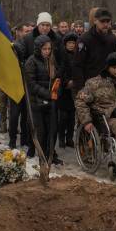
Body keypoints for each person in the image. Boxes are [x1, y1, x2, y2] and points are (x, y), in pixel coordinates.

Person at [24, 35, 61, 164]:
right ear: (38, 49)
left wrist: (57, 88)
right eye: (44, 49)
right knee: (41, 132)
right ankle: (42, 158)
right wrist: (47, 94)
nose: (47, 51)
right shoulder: (31, 62)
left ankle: (51, 154)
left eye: (49, 49)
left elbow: (55, 78)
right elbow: (32, 85)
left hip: (50, 103)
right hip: (37, 103)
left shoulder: (51, 61)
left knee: (52, 130)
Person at [72, 8, 116, 98]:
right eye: (102, 21)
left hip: (108, 86)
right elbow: (77, 66)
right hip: (88, 87)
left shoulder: (112, 39)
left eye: (108, 21)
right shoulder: (84, 39)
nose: (105, 24)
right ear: (95, 21)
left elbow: (115, 63)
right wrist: (80, 89)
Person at [58, 32, 78, 148]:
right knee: (63, 117)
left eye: (73, 43)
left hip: (74, 89)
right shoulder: (62, 55)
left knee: (72, 117)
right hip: (64, 90)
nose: (71, 45)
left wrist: (75, 81)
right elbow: (60, 71)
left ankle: (69, 138)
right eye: (69, 43)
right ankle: (61, 138)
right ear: (65, 44)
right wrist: (66, 82)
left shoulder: (78, 55)